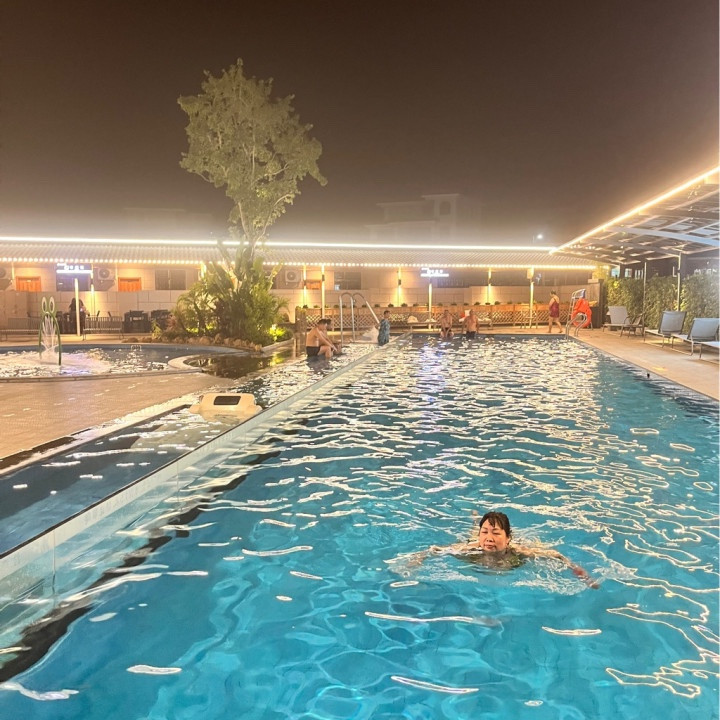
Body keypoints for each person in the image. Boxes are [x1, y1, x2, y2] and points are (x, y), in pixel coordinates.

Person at [416, 510, 599, 588]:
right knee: (472, 535)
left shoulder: (519, 552)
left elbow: (556, 555)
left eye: (496, 533)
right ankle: (475, 520)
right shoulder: (468, 551)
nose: (489, 538)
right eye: (485, 532)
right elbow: (434, 550)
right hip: (474, 544)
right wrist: (415, 563)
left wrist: (580, 572)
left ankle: (477, 520)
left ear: (508, 537)